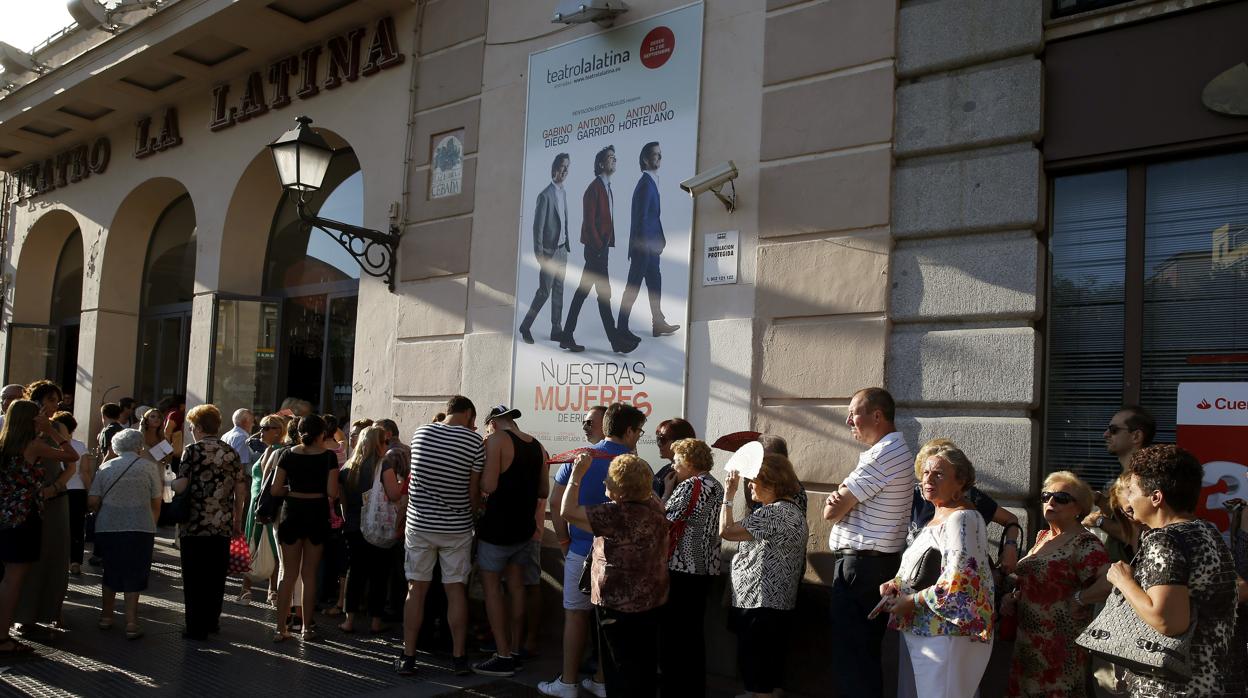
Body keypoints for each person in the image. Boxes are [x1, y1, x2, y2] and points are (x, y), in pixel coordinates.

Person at [1108, 444, 1246, 697]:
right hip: (1217, 681)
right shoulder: (1208, 531)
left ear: (1156, 498)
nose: (1129, 499)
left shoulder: (1164, 539)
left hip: (1172, 687)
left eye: (1134, 491)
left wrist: (1123, 580)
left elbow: (1167, 621)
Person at [540, 402, 645, 698]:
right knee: (607, 620)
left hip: (580, 549)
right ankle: (600, 679)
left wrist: (563, 541)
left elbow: (557, 505)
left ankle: (569, 682)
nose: (639, 437)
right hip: (619, 557)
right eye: (638, 431)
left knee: (575, 617)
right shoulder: (636, 465)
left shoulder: (579, 459)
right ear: (628, 430)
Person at [881, 444, 995, 698]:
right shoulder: (937, 518)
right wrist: (896, 585)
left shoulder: (961, 518)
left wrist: (911, 601)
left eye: (939, 474)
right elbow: (920, 569)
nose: (928, 479)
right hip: (928, 629)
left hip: (946, 631)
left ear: (961, 482)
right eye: (925, 472)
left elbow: (960, 579)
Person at [822, 387, 913, 698]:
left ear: (877, 415)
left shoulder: (882, 455)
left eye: (854, 412)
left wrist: (840, 497)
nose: (849, 420)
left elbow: (832, 511)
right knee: (862, 655)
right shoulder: (890, 452)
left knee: (854, 656)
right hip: (870, 566)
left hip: (861, 567)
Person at [561, 451, 669, 697]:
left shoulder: (614, 514)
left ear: (621, 490)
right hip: (651, 600)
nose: (604, 483)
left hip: (617, 604)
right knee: (644, 666)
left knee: (619, 669)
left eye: (609, 480)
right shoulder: (655, 505)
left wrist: (576, 476)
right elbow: (641, 483)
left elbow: (567, 511)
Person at [396, 396, 485, 676]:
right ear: (469, 414)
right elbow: (473, 492)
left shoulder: (421, 432)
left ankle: (409, 656)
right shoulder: (474, 442)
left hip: (420, 524)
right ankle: (459, 658)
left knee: (416, 589)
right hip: (456, 527)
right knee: (455, 590)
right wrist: (474, 514)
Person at [1004, 470, 1110, 697]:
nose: (1051, 502)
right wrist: (1012, 595)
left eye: (1061, 498)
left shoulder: (1084, 543)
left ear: (1079, 508)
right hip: (1027, 643)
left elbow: (1110, 582)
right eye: (1046, 496)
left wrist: (1079, 599)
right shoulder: (1043, 537)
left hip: (1060, 648)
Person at [721, 454, 807, 698]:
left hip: (762, 603)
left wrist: (728, 496)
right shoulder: (790, 510)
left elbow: (726, 532)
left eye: (753, 481)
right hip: (775, 603)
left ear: (771, 483)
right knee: (768, 672)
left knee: (759, 672)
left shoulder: (775, 513)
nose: (749, 486)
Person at [473, 405, 550, 677]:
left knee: (493, 588)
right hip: (524, 528)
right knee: (517, 587)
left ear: (492, 423)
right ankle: (515, 650)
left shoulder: (496, 441)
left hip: (497, 528)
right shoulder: (538, 446)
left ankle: (503, 654)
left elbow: (489, 486)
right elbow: (543, 490)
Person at [0, 399, 80, 655]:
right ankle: (2, 638)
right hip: (25, 517)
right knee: (14, 579)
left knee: (4, 577)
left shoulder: (3, 444)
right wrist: (52, 431)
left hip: (4, 515)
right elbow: (72, 456)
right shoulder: (33, 445)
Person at [170, 404, 246, 641]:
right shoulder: (231, 452)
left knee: (193, 577)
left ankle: (195, 625)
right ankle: (212, 621)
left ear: (200, 427)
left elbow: (182, 484)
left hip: (194, 523)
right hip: (221, 523)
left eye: (192, 426)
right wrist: (237, 519)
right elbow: (240, 489)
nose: (191, 430)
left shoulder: (192, 451)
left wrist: (171, 484)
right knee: (215, 576)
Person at [658, 437, 723, 697]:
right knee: (693, 632)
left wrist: (665, 492)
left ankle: (675, 688)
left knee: (674, 633)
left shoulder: (691, 486)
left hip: (682, 567)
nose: (674, 466)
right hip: (706, 567)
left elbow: (662, 519)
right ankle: (694, 688)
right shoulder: (716, 485)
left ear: (688, 461)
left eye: (676, 460)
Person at [561, 145, 639, 355]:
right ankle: (615, 342)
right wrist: (598, 246)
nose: (614, 161)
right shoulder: (593, 189)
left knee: (584, 293)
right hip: (595, 250)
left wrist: (606, 244)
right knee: (603, 295)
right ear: (601, 164)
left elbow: (606, 221)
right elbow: (588, 223)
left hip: (600, 249)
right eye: (610, 158)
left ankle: (567, 335)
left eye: (615, 158)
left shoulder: (607, 188)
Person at [270, 414, 340, 642]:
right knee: (309, 575)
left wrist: (291, 491)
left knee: (288, 575)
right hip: (316, 514)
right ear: (322, 434)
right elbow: (332, 492)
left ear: (299, 433)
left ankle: (281, 628)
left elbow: (274, 489)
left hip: (292, 512)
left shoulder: (287, 454)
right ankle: (306, 628)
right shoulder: (329, 457)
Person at [16, 380, 78, 633]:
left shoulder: (58, 426)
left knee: (55, 554)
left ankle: (53, 609)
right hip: (27, 500)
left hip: (55, 499)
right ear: (38, 400)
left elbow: (71, 465)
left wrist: (55, 488)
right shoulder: (22, 426)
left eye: (58, 400)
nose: (56, 404)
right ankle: (24, 613)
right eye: (52, 399)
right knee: (29, 557)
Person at [89, 428, 162, 640]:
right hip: (140, 527)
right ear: (139, 446)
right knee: (134, 572)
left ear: (115, 446)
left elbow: (93, 501)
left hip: (108, 527)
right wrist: (152, 523)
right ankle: (131, 622)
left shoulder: (105, 467)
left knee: (110, 570)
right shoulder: (148, 468)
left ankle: (106, 616)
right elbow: (156, 500)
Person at [337, 424, 402, 634]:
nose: (387, 445)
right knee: (379, 575)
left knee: (355, 573)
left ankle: (349, 620)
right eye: (384, 442)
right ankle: (375, 621)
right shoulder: (384, 466)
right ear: (378, 444)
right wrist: (401, 486)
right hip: (376, 527)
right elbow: (393, 495)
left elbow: (343, 502)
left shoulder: (348, 467)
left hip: (353, 527)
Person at [617, 141, 679, 342]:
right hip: (643, 247)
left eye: (660, 154)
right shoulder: (645, 184)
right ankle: (621, 328)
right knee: (632, 287)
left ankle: (658, 322)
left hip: (650, 247)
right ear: (645, 159)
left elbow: (653, 217)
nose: (660, 157)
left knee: (655, 283)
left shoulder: (651, 182)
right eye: (655, 155)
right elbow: (642, 219)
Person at [519, 152, 572, 345]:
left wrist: (566, 245)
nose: (565, 170)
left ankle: (556, 330)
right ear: (555, 169)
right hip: (549, 254)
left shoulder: (563, 192)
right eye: (562, 166)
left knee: (559, 292)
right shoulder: (545, 196)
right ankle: (525, 326)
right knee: (544, 292)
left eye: (568, 167)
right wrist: (540, 255)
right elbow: (537, 228)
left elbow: (563, 221)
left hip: (562, 251)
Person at [240, 414, 288, 606]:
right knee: (266, 543)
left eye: (266, 428)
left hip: (262, 504)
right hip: (260, 503)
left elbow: (266, 482)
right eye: (260, 427)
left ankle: (249, 589)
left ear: (277, 431)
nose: (261, 431)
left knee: (258, 541)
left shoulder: (276, 451)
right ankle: (270, 590)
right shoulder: (270, 449)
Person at [56, 411, 93, 576]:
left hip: (58, 489)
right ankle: (76, 562)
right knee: (77, 528)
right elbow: (85, 472)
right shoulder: (79, 446)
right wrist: (90, 492)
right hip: (77, 491)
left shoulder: (51, 444)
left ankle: (58, 561)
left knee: (58, 527)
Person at [651, 417, 696, 496]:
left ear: (679, 442)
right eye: (657, 439)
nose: (659, 444)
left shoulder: (687, 474)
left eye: (662, 440)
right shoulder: (666, 469)